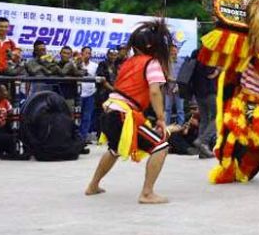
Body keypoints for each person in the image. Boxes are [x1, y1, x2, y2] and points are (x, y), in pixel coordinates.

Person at [85, 19, 174, 204]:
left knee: (114, 149)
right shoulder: (151, 63)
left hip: (110, 111)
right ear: (152, 45)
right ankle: (147, 193)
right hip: (123, 114)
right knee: (161, 146)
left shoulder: (129, 62)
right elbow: (155, 91)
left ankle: (93, 185)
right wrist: (161, 119)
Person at [190, 48, 219, 158]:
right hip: (209, 91)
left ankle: (203, 151)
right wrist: (218, 69)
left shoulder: (195, 52)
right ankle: (203, 140)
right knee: (217, 117)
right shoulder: (209, 54)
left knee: (204, 119)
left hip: (198, 91)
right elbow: (210, 73)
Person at [78, 46, 98, 144]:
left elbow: (97, 78)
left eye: (89, 53)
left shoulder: (94, 65)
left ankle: (83, 137)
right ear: (81, 53)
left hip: (90, 93)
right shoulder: (76, 64)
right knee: (77, 117)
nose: (88, 55)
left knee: (87, 116)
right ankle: (75, 137)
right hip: (79, 93)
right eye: (86, 52)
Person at [164, 45, 185, 125]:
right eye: (172, 51)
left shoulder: (182, 61)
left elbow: (184, 75)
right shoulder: (166, 62)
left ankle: (181, 126)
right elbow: (164, 74)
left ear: (178, 51)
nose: (174, 52)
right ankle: (166, 127)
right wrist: (168, 78)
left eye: (175, 50)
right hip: (168, 87)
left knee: (180, 109)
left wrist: (177, 82)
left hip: (179, 87)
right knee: (167, 108)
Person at [0, 81, 14, 157]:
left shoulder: (5, 102)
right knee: (7, 138)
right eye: (3, 91)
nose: (6, 93)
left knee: (15, 135)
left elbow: (11, 113)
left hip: (4, 128)